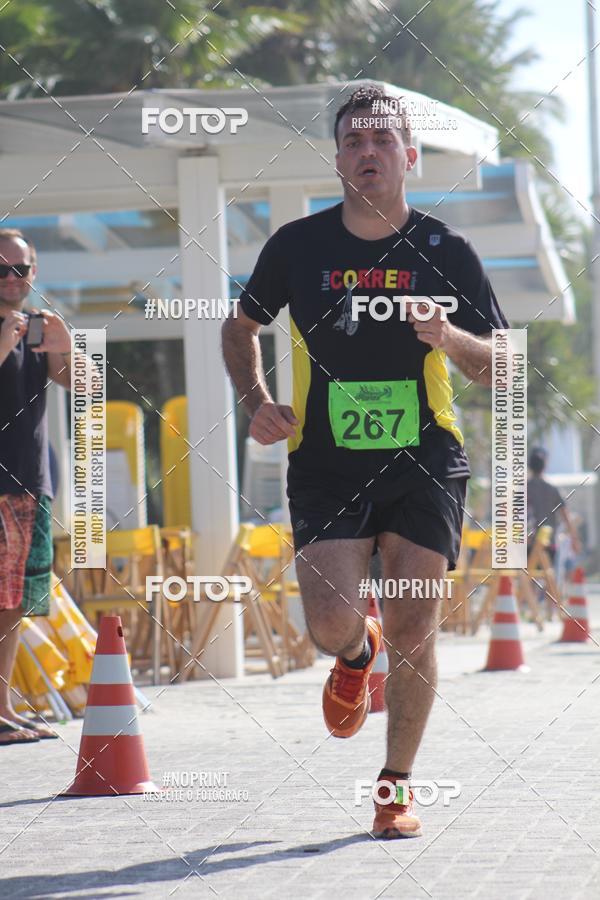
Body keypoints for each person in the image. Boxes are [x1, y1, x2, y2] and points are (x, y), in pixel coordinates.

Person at [222, 83, 508, 838]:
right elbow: (240, 326)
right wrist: (255, 402)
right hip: (326, 463)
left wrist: (448, 338)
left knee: (417, 623)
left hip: (425, 459)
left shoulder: (448, 251)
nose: (369, 151)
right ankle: (355, 654)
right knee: (326, 623)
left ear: (410, 156)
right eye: (354, 141)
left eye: (383, 140)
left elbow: (502, 366)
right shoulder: (298, 246)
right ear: (340, 160)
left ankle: (395, 787)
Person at [0, 227, 71, 745]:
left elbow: (82, 385)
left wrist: (66, 350)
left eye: (19, 269)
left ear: (34, 272)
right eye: (1, 270)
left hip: (31, 481)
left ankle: (3, 709)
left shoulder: (40, 328)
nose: (10, 278)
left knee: (15, 603)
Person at [527, 446, 582, 564]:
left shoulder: (521, 490)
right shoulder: (552, 490)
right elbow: (566, 516)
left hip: (527, 544)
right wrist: (575, 540)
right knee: (549, 577)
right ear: (545, 465)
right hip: (549, 544)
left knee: (529, 578)